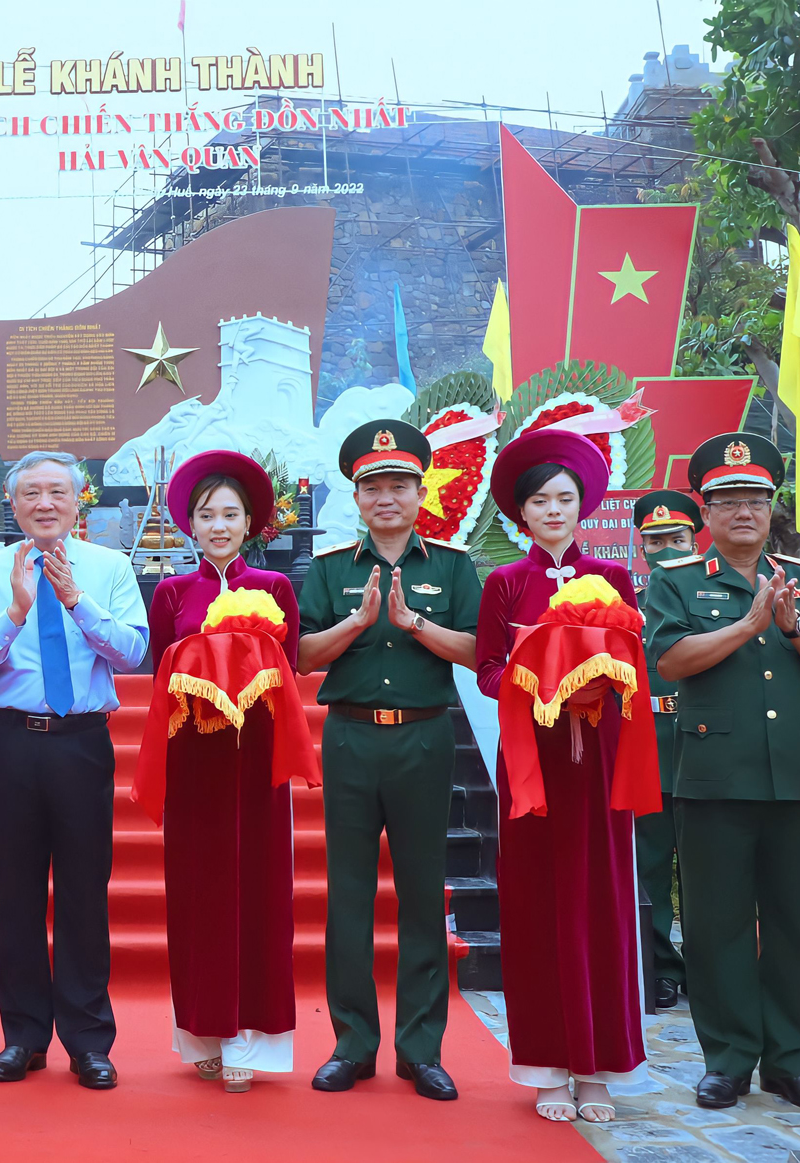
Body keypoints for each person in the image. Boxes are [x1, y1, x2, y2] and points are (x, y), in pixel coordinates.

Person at [641, 432, 800, 1113]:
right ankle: (728, 1058)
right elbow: (669, 661)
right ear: (706, 510)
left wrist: (789, 624)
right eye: (727, 500)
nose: (743, 511)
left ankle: (792, 1061)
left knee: (793, 924)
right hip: (711, 778)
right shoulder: (674, 580)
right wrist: (744, 625)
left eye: (755, 500)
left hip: (795, 779)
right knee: (716, 924)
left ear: (771, 509)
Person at [475, 429, 656, 1123]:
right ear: (521, 514)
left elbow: (637, 659)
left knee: (603, 902)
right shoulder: (505, 582)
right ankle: (548, 1062)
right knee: (535, 903)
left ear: (583, 507)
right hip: (533, 759)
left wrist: (598, 680)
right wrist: (538, 675)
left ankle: (598, 1067)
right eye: (540, 501)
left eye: (565, 499)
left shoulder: (611, 579)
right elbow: (489, 668)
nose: (554, 510)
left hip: (601, 756)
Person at [0, 451, 147, 1091]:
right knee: (16, 894)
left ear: (77, 498)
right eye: (31, 493)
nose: (44, 503)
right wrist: (15, 612)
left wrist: (75, 601)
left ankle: (89, 1040)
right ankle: (23, 1037)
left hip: (83, 743)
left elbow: (132, 652)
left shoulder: (111, 567)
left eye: (56, 492)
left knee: (85, 894)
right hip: (11, 743)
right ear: (12, 504)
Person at [297, 420, 479, 1101]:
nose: (386, 497)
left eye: (398, 484)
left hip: (425, 739)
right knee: (347, 895)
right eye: (372, 486)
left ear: (419, 491)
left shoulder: (454, 566)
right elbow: (301, 656)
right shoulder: (329, 569)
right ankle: (351, 1043)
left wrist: (415, 626)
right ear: (356, 495)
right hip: (348, 737)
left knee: (422, 895)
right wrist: (353, 623)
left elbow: (476, 651)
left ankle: (420, 1048)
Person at [144, 450, 305, 1092]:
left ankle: (256, 1041)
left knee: (261, 890)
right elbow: (160, 672)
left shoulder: (276, 590)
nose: (217, 525)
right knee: (198, 892)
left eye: (229, 515)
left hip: (260, 757)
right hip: (194, 758)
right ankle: (205, 1031)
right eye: (206, 515)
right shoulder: (171, 592)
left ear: (249, 524)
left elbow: (289, 672)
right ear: (189, 523)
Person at [632, 489, 701, 1011]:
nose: (666, 549)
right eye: (654, 541)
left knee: (705, 868)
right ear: (641, 547)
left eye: (676, 539)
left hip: (703, 747)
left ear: (694, 540)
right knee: (650, 867)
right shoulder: (625, 605)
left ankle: (706, 965)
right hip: (648, 747)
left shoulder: (712, 596)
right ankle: (660, 967)